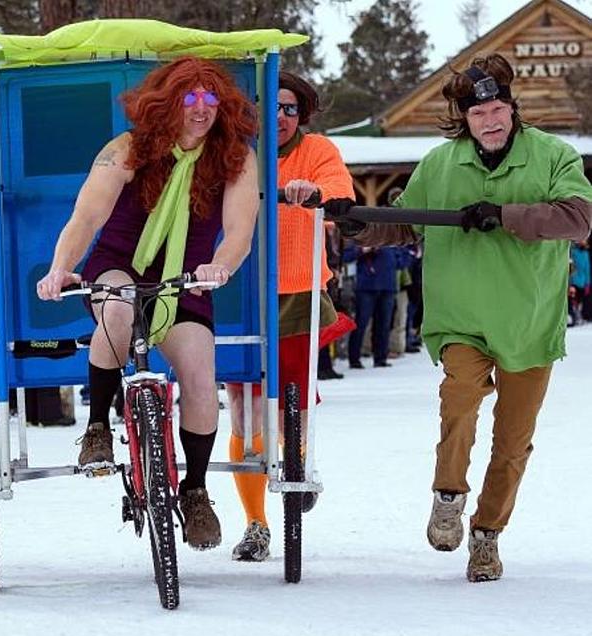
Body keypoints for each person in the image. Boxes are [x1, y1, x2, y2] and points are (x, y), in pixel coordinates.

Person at [337, 54, 592, 582]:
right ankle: (448, 495)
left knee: (513, 442)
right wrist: (359, 223)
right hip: (460, 318)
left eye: (499, 109)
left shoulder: (553, 156)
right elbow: (406, 225)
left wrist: (505, 215)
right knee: (459, 397)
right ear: (465, 118)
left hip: (529, 322)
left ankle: (487, 536)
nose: (492, 120)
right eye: (480, 114)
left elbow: (578, 217)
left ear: (512, 109)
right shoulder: (439, 164)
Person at [37, 57, 260, 551]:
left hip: (185, 281)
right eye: (189, 97)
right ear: (167, 100)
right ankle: (97, 425)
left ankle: (196, 490)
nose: (201, 109)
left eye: (210, 98)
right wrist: (60, 266)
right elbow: (86, 216)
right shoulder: (129, 149)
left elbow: (240, 232)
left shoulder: (237, 157)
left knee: (202, 375)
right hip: (120, 266)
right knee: (116, 310)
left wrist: (218, 265)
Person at [224, 72, 355, 562]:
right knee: (243, 405)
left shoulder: (316, 149)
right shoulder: (235, 150)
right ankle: (256, 523)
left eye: (289, 109)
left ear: (302, 115)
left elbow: (339, 189)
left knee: (290, 405)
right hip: (240, 291)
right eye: (268, 107)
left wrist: (313, 189)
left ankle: (296, 467)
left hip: (296, 289)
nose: (278, 118)